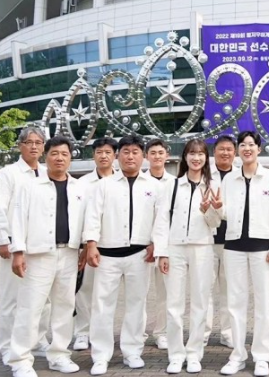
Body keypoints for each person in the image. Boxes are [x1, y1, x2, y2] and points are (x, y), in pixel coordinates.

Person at [84, 135, 165, 376]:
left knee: (137, 305)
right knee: (102, 306)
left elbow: (161, 220)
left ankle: (132, 352)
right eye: (126, 152)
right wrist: (91, 244)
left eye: (135, 152)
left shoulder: (154, 186)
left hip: (139, 255)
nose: (130, 156)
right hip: (106, 255)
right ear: (118, 156)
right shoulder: (104, 185)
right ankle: (100, 355)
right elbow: (93, 216)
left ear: (143, 156)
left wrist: (156, 244)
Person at [7, 136, 86, 377]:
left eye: (64, 154)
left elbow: (86, 219)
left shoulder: (79, 188)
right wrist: (17, 251)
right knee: (30, 308)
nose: (59, 158)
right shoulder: (30, 186)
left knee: (64, 307)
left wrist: (85, 247)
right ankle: (20, 360)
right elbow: (18, 220)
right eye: (54, 153)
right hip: (38, 255)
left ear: (71, 158)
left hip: (69, 253)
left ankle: (59, 355)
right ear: (46, 156)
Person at [215, 131, 269, 377]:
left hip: (262, 248)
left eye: (251, 145)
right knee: (235, 303)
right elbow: (224, 213)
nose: (247, 148)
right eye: (242, 145)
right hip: (234, 245)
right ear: (238, 150)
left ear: (259, 149)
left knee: (264, 303)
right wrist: (216, 209)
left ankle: (262, 356)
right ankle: (238, 355)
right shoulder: (229, 179)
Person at [153, 139, 222, 374]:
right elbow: (162, 220)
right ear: (185, 157)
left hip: (202, 247)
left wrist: (208, 210)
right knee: (174, 304)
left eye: (200, 154)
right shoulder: (172, 185)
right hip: (175, 248)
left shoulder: (212, 185)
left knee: (201, 303)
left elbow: (215, 223)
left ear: (206, 158)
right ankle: (176, 354)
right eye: (192, 153)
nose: (196, 158)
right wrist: (162, 252)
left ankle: (194, 353)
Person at [0, 126, 50, 365]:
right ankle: (7, 346)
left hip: (42, 246)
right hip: (15, 246)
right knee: (11, 299)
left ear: (43, 147)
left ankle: (38, 340)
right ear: (20, 146)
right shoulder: (9, 173)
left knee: (43, 299)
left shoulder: (46, 173)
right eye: (29, 142)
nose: (33, 146)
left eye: (38, 142)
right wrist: (3, 240)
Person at [74, 137, 118, 351]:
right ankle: (82, 332)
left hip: (116, 246)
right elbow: (78, 216)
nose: (103, 156)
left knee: (110, 295)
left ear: (115, 155)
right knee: (86, 289)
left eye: (108, 152)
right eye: (99, 152)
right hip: (90, 245)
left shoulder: (122, 181)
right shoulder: (82, 184)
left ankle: (105, 333)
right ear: (93, 156)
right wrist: (84, 245)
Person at [205, 135, 239, 349]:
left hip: (232, 241)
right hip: (207, 239)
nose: (225, 153)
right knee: (205, 289)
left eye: (229, 149)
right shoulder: (205, 175)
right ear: (214, 151)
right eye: (221, 149)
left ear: (235, 152)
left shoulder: (240, 176)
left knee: (229, 290)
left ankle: (228, 333)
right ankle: (203, 333)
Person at [145, 138, 176, 350]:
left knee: (165, 292)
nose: (157, 156)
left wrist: (162, 244)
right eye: (153, 153)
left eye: (160, 152)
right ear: (146, 156)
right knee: (138, 293)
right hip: (143, 246)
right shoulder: (140, 181)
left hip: (165, 246)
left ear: (167, 155)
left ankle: (162, 332)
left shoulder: (174, 182)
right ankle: (137, 333)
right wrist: (149, 242)